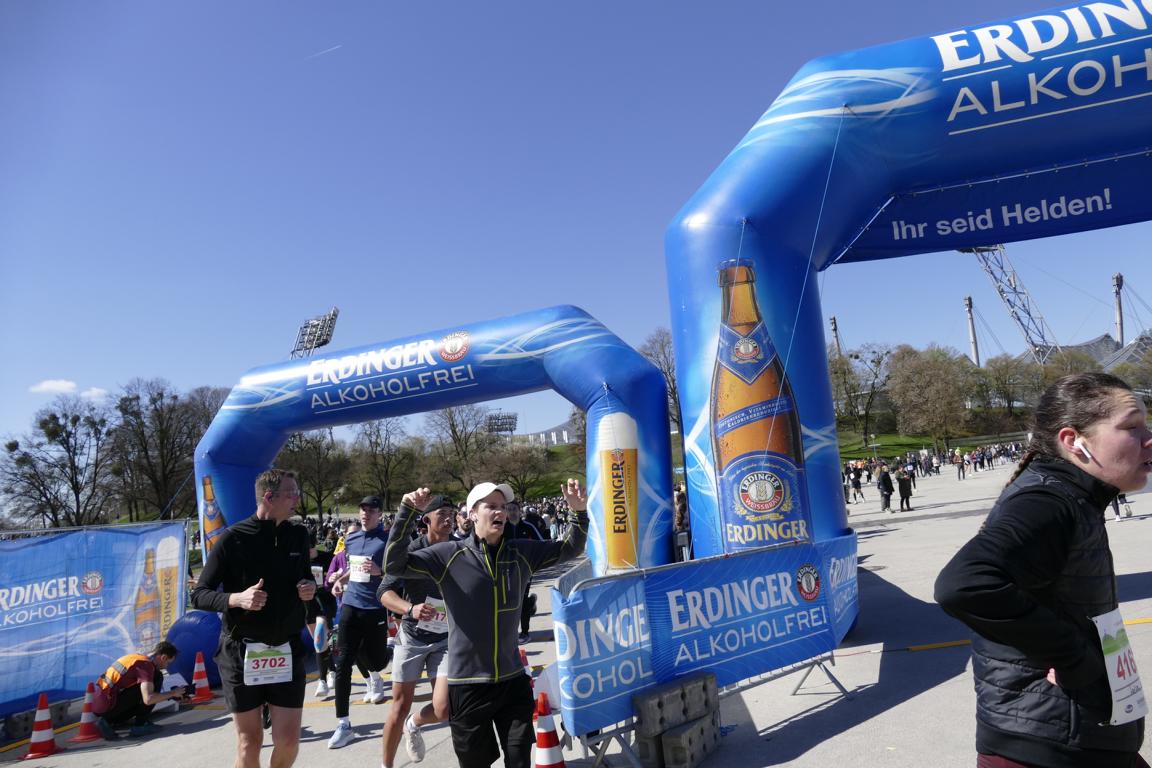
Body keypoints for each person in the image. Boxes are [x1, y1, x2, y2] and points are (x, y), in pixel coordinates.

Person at [935, 372, 1152, 768]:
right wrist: (1074, 657)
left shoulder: (1077, 497)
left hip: (1082, 736)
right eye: (1132, 427)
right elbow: (964, 584)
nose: (1148, 438)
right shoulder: (1049, 500)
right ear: (1074, 441)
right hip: (1048, 745)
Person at [384, 480, 589, 768]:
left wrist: (579, 513)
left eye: (503, 507)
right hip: (467, 684)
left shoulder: (521, 553)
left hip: (512, 681)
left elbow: (570, 548)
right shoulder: (449, 555)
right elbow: (394, 565)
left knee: (519, 761)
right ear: (471, 514)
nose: (500, 512)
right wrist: (407, 511)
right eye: (491, 506)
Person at [190, 468, 316, 768]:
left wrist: (309, 588)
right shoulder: (233, 538)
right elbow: (199, 594)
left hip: (285, 648)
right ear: (269, 497)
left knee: (288, 741)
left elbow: (305, 577)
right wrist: (236, 599)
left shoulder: (298, 534)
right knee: (250, 742)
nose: (297, 499)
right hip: (241, 650)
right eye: (291, 494)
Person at [377, 494, 456, 768]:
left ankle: (415, 723)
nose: (448, 519)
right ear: (426, 520)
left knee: (444, 708)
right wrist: (410, 609)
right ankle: (386, 765)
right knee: (399, 707)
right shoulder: (412, 551)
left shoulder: (458, 549)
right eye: (442, 514)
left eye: (451, 514)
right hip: (412, 637)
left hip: (445, 639)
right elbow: (384, 592)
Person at [327, 495, 394, 749]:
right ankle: (343, 724)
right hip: (350, 606)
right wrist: (339, 581)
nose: (365, 513)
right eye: (362, 509)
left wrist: (381, 572)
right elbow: (353, 568)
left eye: (371, 510)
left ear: (379, 514)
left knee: (376, 660)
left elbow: (398, 573)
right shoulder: (352, 539)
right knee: (343, 662)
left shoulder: (387, 540)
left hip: (375, 608)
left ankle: (385, 658)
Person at [92, 640, 186, 740]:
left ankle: (110, 720)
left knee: (150, 682)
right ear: (163, 657)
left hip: (101, 705)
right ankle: (140, 724)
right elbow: (148, 699)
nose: (167, 666)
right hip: (107, 710)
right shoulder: (145, 665)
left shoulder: (139, 657)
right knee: (157, 678)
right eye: (168, 663)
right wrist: (173, 693)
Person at [503, 499, 543, 644]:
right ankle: (511, 632)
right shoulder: (502, 527)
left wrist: (535, 561)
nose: (512, 512)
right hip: (506, 571)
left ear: (520, 511)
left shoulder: (528, 526)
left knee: (522, 600)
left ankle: (524, 632)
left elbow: (541, 543)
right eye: (509, 509)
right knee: (509, 601)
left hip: (525, 570)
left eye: (514, 509)